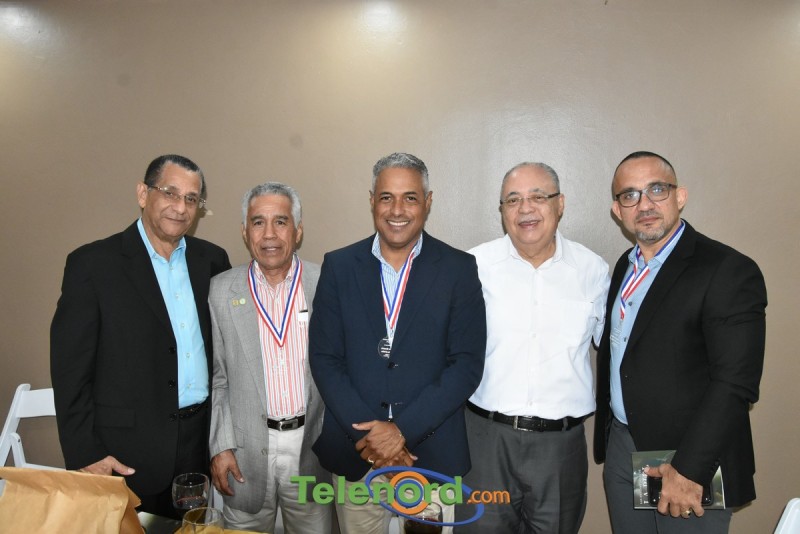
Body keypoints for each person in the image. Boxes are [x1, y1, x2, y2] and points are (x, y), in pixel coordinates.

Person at [309, 152, 487, 534]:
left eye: (410, 197)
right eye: (386, 197)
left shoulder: (458, 269)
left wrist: (401, 432)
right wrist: (372, 439)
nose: (397, 210)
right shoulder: (339, 266)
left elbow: (466, 364)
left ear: (428, 202)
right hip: (356, 454)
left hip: (430, 455)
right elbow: (325, 359)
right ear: (372, 200)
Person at [594, 151, 767, 533]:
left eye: (657, 189)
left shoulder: (727, 269)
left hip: (689, 457)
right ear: (617, 210)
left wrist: (688, 468)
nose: (645, 205)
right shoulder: (626, 266)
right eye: (630, 195)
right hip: (624, 446)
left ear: (680, 196)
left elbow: (735, 383)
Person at [50, 154, 231, 518]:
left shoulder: (212, 261)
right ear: (143, 194)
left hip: (197, 444)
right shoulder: (93, 265)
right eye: (170, 193)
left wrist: (221, 440)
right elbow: (70, 370)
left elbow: (222, 357)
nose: (180, 207)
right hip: (124, 453)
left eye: (191, 199)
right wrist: (85, 452)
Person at [457, 162, 610, 533]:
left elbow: (616, 350)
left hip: (560, 447)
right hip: (485, 442)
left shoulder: (593, 270)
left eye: (538, 197)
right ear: (502, 211)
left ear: (560, 204)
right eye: (513, 200)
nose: (525, 209)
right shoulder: (472, 266)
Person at [208, 182, 331, 533]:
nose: (269, 234)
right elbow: (218, 379)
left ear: (298, 230)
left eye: (281, 221)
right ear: (245, 231)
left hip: (310, 451)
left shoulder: (325, 283)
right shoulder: (221, 290)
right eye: (258, 222)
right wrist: (220, 446)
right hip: (244, 453)